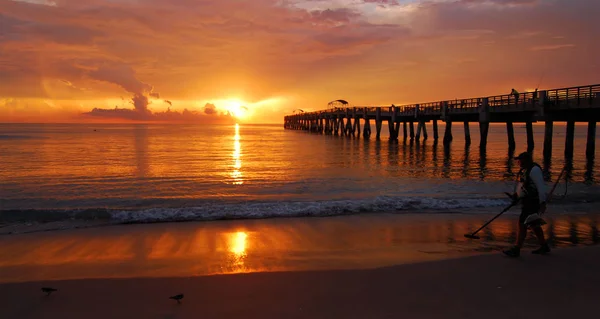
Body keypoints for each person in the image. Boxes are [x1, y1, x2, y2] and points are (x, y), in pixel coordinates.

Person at [503, 152, 551, 257]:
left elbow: (541, 187)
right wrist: (515, 196)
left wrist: (543, 202)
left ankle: (516, 249)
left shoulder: (534, 170)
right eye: (518, 160)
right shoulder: (525, 170)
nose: (518, 162)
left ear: (527, 160)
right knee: (534, 224)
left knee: (522, 224)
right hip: (527, 201)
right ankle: (544, 246)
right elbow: (523, 186)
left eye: (520, 160)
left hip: (532, 202)